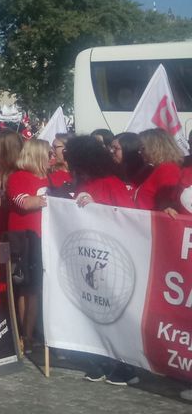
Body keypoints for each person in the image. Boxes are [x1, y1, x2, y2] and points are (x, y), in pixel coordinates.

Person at [65, 136, 140, 385]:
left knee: (116, 311)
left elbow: (129, 217)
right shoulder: (86, 181)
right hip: (89, 255)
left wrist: (97, 207)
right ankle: (102, 359)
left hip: (113, 258)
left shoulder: (111, 183)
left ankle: (125, 366)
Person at [4, 139, 68, 354]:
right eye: (48, 153)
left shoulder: (54, 177)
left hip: (49, 238)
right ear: (36, 155)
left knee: (42, 287)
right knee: (28, 288)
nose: (52, 157)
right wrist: (49, 199)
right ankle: (26, 334)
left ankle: (40, 331)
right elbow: (24, 202)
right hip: (25, 239)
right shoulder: (18, 177)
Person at [135, 128, 191, 214]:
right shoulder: (156, 169)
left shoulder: (168, 169)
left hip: (152, 224)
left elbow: (168, 206)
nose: (140, 152)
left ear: (155, 147)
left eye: (143, 148)